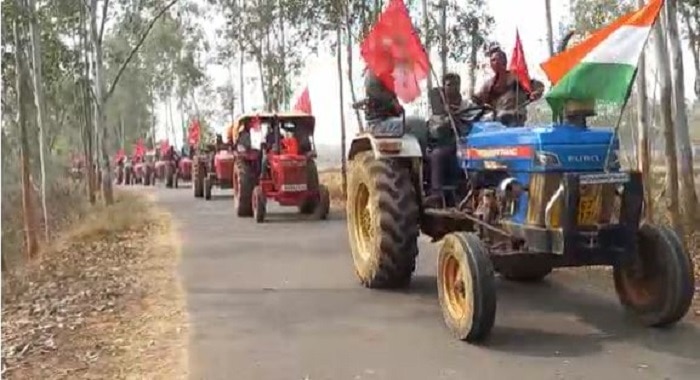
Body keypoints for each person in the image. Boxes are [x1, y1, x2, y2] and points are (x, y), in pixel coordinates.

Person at [471, 46, 545, 127]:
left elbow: (538, 86)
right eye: (492, 60)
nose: (494, 63)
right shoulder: (489, 84)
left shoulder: (516, 77)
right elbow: (476, 100)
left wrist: (535, 93)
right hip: (497, 122)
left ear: (504, 61)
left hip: (516, 118)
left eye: (497, 59)